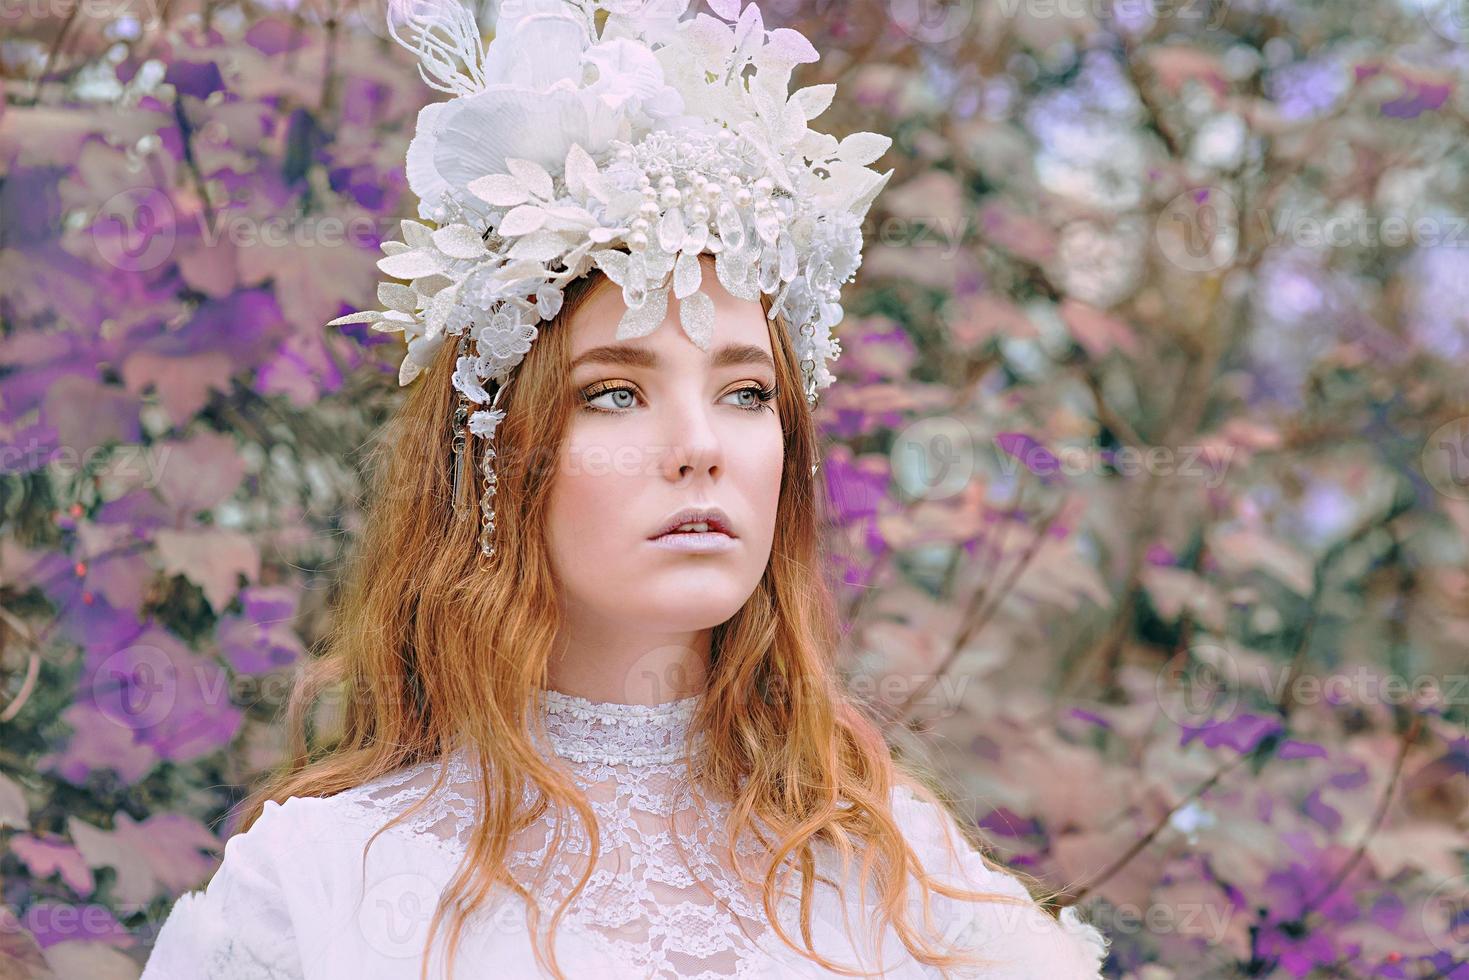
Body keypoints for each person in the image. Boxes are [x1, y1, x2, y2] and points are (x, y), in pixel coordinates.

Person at [141, 1, 1108, 977]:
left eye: (743, 392)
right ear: (496, 456)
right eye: (614, 391)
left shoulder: (907, 879)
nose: (699, 448)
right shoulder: (313, 889)